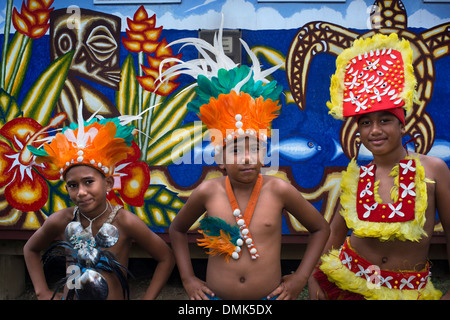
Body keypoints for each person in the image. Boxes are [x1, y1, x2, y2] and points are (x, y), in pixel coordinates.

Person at [164, 22, 330, 300]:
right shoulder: (208, 191)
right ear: (219, 158)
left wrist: (301, 277)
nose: (246, 158)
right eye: (235, 150)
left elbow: (320, 228)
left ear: (265, 153)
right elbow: (177, 230)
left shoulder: (279, 190)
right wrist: (188, 278)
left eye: (254, 148)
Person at [308, 33, 450, 300]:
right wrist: (317, 275)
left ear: (402, 124)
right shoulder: (357, 176)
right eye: (365, 123)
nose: (374, 130)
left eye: (385, 120)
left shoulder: (434, 170)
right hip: (349, 284)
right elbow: (336, 232)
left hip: (408, 291)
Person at [24, 102, 175, 300]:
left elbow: (166, 258)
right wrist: (41, 291)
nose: (81, 192)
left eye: (88, 182)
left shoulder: (125, 221)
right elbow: (31, 249)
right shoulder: (61, 220)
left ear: (108, 183)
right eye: (72, 185)